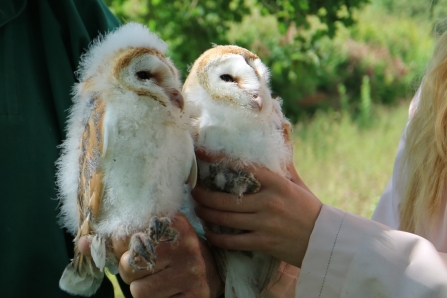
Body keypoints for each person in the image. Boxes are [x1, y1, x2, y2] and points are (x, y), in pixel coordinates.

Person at [191, 30, 447, 297]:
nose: (254, 93)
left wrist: (320, 236)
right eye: (230, 79)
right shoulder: (435, 91)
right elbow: (384, 263)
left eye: (259, 80)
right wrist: (269, 259)